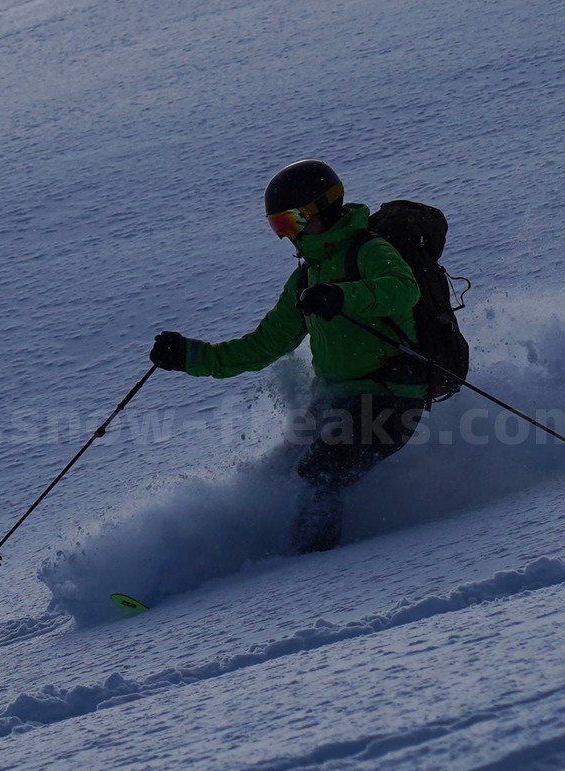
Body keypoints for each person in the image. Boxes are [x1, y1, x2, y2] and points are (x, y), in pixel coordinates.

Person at [150, 160, 427, 553]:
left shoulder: (368, 251)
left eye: (291, 221)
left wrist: (343, 295)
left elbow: (403, 291)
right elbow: (263, 345)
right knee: (277, 473)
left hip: (392, 396)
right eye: (278, 226)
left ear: (322, 209)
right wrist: (189, 356)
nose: (286, 236)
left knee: (321, 471)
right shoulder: (306, 278)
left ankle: (308, 573)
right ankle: (245, 556)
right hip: (334, 401)